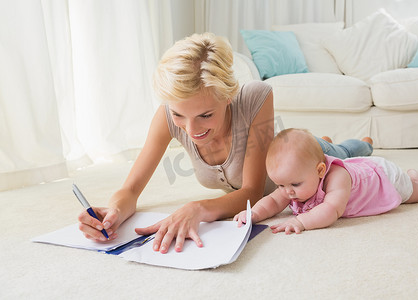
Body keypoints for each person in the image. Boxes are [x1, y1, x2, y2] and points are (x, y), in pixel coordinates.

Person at [78, 32, 374, 253]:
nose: (191, 129)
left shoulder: (255, 97)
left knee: (344, 154)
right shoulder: (166, 116)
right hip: (285, 161)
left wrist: (197, 208)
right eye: (180, 114)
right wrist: (115, 210)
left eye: (205, 115)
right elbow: (130, 189)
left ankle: (357, 142)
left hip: (305, 163)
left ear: (228, 96)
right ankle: (324, 140)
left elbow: (253, 191)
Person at [234, 128, 418, 234]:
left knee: (416, 194)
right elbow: (274, 201)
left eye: (294, 185)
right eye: (280, 185)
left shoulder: (337, 178)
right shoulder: (295, 179)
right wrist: (254, 214)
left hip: (381, 177)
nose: (287, 192)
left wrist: (301, 221)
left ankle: (416, 177)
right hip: (359, 167)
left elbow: (332, 210)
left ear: (320, 171)